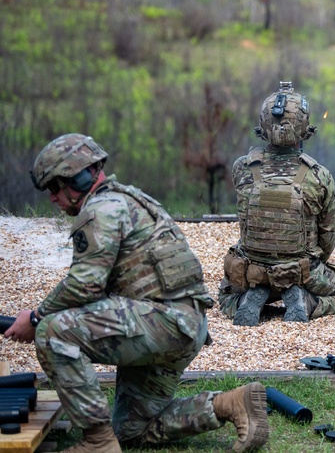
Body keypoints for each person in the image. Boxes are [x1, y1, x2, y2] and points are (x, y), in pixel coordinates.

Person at [3, 133, 268, 453]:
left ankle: (97, 443)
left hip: (163, 323)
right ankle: (228, 405)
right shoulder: (128, 200)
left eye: (54, 188)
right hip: (182, 325)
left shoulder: (99, 210)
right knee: (131, 430)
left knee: (53, 331)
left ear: (76, 178)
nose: (52, 199)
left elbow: (84, 285)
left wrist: (34, 317)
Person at [218, 81, 335, 326]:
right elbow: (327, 239)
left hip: (250, 272)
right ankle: (307, 302)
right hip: (301, 272)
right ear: (304, 128)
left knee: (224, 295)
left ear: (263, 126)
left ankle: (251, 299)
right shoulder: (319, 176)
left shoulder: (242, 168)